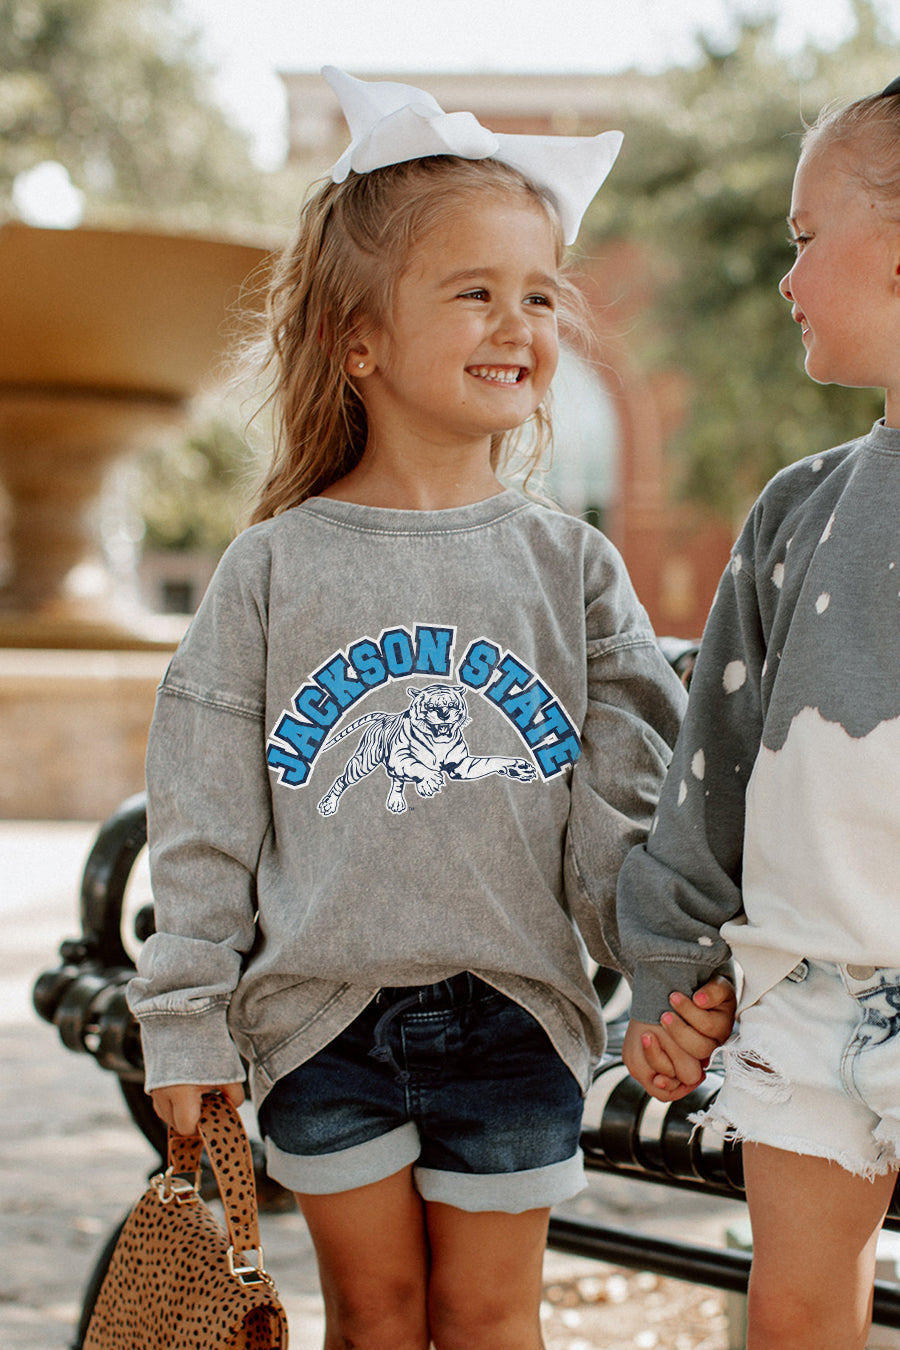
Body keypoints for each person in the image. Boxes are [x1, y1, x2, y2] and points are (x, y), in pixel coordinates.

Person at [128, 68, 729, 1350]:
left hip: (520, 1017)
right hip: (319, 1021)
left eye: (540, 295)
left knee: (492, 1318)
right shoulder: (275, 568)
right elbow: (202, 816)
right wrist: (184, 1023)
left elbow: (627, 815)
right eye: (474, 292)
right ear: (358, 340)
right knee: (376, 1317)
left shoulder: (572, 570)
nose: (518, 323)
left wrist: (667, 984)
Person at [617, 77, 900, 1350]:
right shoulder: (799, 509)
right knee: (792, 1315)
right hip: (800, 987)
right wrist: (669, 975)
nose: (786, 277)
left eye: (805, 237)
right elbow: (713, 766)